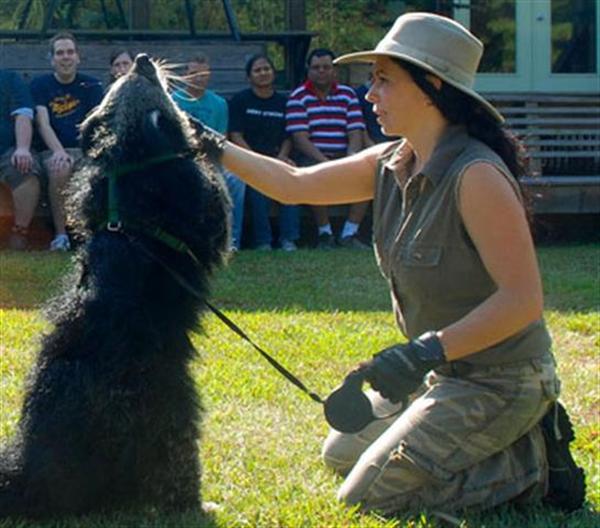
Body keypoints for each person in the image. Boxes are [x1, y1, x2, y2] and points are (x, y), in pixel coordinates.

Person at [193, 12, 585, 516]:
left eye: (384, 80)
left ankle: (530, 464)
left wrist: (424, 352)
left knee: (368, 494)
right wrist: (206, 143)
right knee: (340, 451)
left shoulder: (477, 176)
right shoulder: (392, 161)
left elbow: (524, 302)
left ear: (432, 86)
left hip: (504, 379)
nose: (369, 94)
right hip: (445, 376)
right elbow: (294, 186)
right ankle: (490, 445)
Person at [286, 48, 369, 249]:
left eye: (326, 67)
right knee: (316, 172)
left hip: (344, 154)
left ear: (334, 71)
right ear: (308, 71)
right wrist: (325, 162)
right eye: (316, 67)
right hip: (313, 155)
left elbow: (356, 130)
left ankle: (350, 233)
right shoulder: (298, 97)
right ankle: (325, 234)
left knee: (368, 172)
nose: (321, 71)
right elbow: (300, 139)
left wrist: (351, 156)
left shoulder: (348, 95)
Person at [31, 32, 103, 251]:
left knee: (98, 173)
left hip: (84, 149)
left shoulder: (92, 86)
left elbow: (96, 124)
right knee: (60, 168)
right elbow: (43, 123)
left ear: (78, 57)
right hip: (51, 150)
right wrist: (59, 151)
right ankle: (61, 236)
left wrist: (88, 153)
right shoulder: (40, 85)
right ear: (52, 59)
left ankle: (92, 235)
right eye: (60, 53)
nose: (66, 57)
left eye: (70, 52)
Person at [172, 53, 245, 251]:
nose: (198, 77)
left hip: (212, 161)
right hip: (182, 160)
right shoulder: (172, 102)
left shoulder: (219, 104)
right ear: (185, 75)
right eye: (194, 73)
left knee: (236, 182)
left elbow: (221, 139)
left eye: (203, 73)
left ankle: (230, 240)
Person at [229, 54, 299, 251]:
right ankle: (263, 241)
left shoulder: (283, 102)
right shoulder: (240, 101)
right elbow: (235, 135)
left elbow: (288, 136)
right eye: (257, 70)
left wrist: (282, 157)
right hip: (248, 158)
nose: (263, 73)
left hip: (278, 158)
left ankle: (288, 238)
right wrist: (254, 160)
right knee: (258, 188)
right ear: (249, 77)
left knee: (291, 182)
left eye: (267, 69)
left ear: (273, 73)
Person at [0, 70, 41, 250]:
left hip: (8, 149)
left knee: (25, 169)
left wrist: (23, 148)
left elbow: (23, 114)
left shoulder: (9, 79)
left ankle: (19, 233)